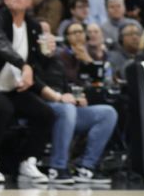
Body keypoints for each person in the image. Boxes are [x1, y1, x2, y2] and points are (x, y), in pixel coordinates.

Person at [0, 0, 55, 183]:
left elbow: (40, 67)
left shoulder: (33, 27)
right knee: (3, 108)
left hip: (15, 88)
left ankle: (27, 161)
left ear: (29, 1)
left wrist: (47, 54)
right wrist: (23, 65)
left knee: (46, 113)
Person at [35, 22, 117, 184]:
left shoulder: (57, 61)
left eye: (49, 34)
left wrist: (76, 98)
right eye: (42, 34)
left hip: (66, 109)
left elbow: (69, 86)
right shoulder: (29, 60)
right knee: (67, 109)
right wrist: (59, 97)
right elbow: (33, 86)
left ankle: (86, 167)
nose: (48, 38)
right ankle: (58, 167)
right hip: (42, 107)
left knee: (107, 113)